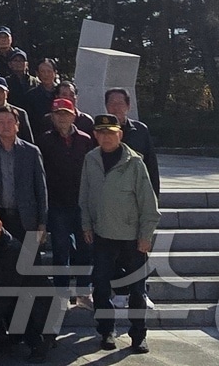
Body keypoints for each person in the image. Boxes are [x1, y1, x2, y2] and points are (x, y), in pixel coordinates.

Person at [80, 113, 161, 354]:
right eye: (101, 133)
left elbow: (149, 203)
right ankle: (106, 331)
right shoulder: (90, 159)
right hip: (103, 235)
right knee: (101, 288)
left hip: (132, 238)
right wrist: (86, 224)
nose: (106, 137)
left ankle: (138, 335)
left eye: (111, 133)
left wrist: (146, 234)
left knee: (137, 290)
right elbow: (84, 195)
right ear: (95, 135)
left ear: (120, 135)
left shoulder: (135, 162)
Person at [0, 203, 54, 363]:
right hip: (17, 296)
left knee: (36, 346)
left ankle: (43, 339)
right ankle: (13, 334)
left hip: (38, 301)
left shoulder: (12, 249)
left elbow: (9, 290)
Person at [38, 98, 96, 298]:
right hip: (57, 205)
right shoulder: (44, 140)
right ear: (52, 117)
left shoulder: (86, 140)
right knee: (61, 251)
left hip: (82, 204)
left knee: (85, 250)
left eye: (65, 113)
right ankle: (61, 292)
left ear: (73, 116)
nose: (62, 118)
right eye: (57, 114)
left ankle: (83, 291)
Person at [0, 107, 47, 242]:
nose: (5, 126)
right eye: (1, 122)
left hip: (27, 218)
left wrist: (42, 222)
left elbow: (41, 189)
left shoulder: (31, 152)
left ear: (17, 125)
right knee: (1, 261)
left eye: (9, 122)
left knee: (27, 261)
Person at [105, 88, 160, 196]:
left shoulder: (140, 130)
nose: (116, 108)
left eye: (120, 103)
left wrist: (154, 196)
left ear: (128, 106)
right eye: (112, 103)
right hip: (108, 192)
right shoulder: (99, 131)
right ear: (106, 106)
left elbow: (151, 165)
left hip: (135, 191)